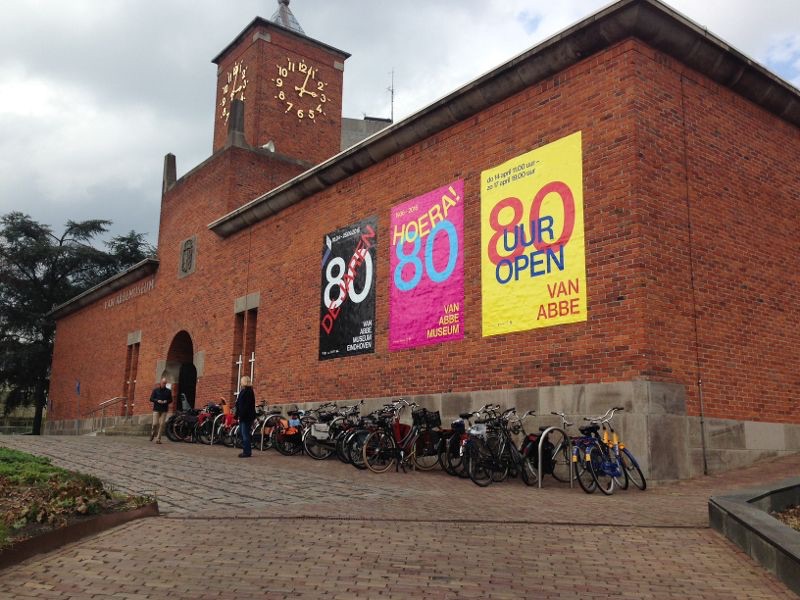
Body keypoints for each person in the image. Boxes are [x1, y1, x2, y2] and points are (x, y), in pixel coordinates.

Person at [235, 376, 256, 457]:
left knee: (245, 433)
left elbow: (246, 405)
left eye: (241, 381)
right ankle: (246, 449)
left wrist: (241, 415)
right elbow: (238, 403)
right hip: (242, 415)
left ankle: (247, 452)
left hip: (247, 416)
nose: (240, 382)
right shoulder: (243, 391)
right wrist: (237, 414)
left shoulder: (249, 391)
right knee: (242, 432)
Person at [149, 378, 172, 443]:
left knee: (162, 424)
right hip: (156, 409)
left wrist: (166, 401)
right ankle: (152, 433)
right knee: (155, 424)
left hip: (164, 410)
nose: (164, 384)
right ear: (160, 383)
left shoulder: (168, 391)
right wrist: (157, 400)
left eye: (165, 383)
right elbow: (151, 399)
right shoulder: (155, 390)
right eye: (163, 383)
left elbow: (171, 400)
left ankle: (158, 439)